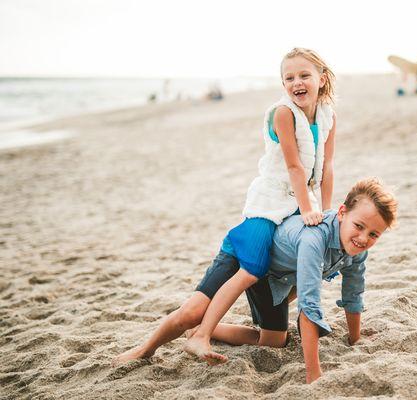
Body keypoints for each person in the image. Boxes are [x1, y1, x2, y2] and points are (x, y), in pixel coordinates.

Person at [113, 48, 337, 365]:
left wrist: (324, 211)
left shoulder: (328, 116)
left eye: (304, 75)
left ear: (322, 78)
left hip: (296, 205)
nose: (297, 83)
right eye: (289, 77)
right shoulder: (283, 114)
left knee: (275, 341)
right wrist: (309, 209)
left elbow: (326, 169)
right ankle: (149, 348)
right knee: (192, 311)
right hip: (266, 209)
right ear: (282, 83)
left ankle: (208, 331)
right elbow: (295, 168)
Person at [188, 178, 398, 383]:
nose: (363, 238)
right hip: (264, 271)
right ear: (342, 212)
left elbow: (353, 292)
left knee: (305, 290)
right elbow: (308, 305)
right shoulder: (314, 239)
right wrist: (313, 375)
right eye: (359, 226)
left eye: (373, 234)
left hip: (291, 273)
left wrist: (355, 339)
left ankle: (207, 325)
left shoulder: (356, 249)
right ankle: (202, 327)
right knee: (274, 341)